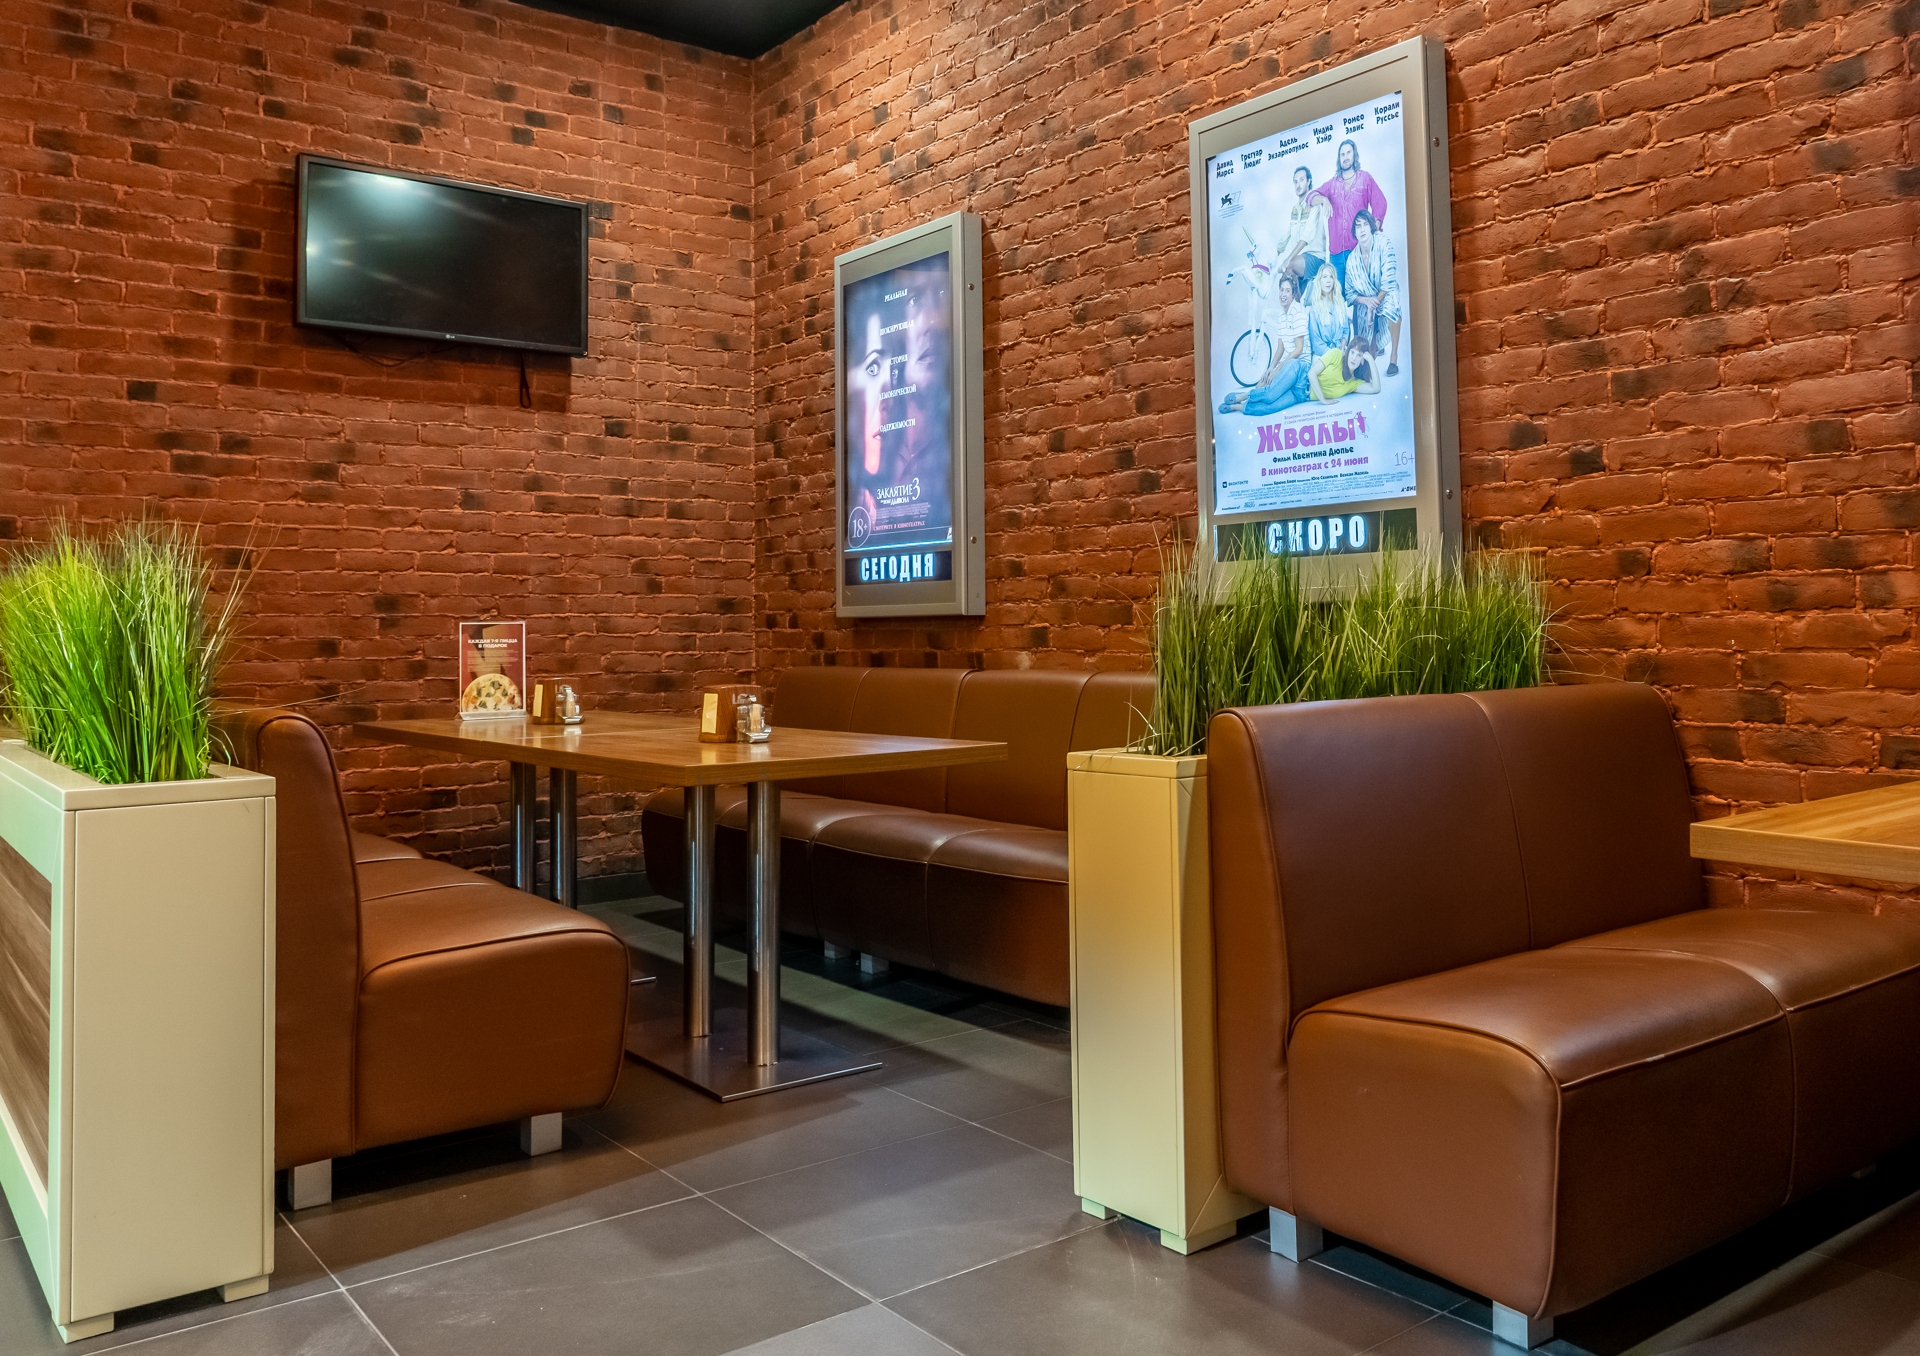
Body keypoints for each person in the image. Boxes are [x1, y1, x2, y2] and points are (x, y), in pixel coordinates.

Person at [1219, 273, 1310, 415]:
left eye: (1287, 291)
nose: (1283, 294)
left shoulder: (1298, 313)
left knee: (1269, 395)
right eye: (1281, 290)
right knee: (1267, 400)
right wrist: (1270, 368)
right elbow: (1280, 348)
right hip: (1289, 367)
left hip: (1299, 367)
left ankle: (1243, 397)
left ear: (1293, 295)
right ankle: (1237, 407)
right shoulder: (1282, 317)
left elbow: (1298, 350)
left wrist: (1278, 369)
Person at [1317, 139, 1387, 287]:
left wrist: (1374, 229)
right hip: (1336, 256)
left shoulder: (1365, 179)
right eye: (1342, 154)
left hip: (1359, 251)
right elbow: (1311, 197)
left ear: (1354, 154)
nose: (1345, 157)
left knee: (1361, 294)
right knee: (1337, 297)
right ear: (1339, 158)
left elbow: (1380, 202)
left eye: (1348, 153)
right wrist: (1323, 199)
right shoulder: (1331, 184)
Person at [1342, 209, 1402, 376]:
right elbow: (1350, 294)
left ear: (1371, 227)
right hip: (1366, 303)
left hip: (1385, 294)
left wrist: (1374, 303)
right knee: (1368, 353)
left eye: (1365, 225)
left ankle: (1393, 357)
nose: (1362, 229)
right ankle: (1375, 349)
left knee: (1392, 302)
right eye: (1358, 226)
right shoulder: (1352, 260)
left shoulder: (1384, 243)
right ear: (1354, 232)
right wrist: (1366, 302)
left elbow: (1389, 278)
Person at [1276, 166, 1329, 286]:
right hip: (1300, 260)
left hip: (1315, 259)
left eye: (1301, 180)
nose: (1298, 185)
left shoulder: (1314, 204)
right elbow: (1287, 235)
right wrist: (1275, 253)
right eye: (1295, 182)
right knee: (1289, 287)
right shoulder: (1295, 209)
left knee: (1289, 266)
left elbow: (1306, 237)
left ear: (1308, 181)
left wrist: (1288, 259)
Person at [1310, 332, 1381, 403]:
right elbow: (1311, 373)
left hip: (1304, 397)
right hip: (1303, 378)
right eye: (1352, 352)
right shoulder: (1336, 354)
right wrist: (1322, 399)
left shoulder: (1353, 382)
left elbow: (1376, 388)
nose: (1354, 358)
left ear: (1362, 360)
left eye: (1359, 355)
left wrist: (1370, 359)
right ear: (1348, 352)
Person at [1304, 260, 1349, 358]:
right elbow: (1316, 342)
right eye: (1324, 277)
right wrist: (1333, 355)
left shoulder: (1340, 304)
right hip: (1322, 356)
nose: (1328, 280)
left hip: (1340, 352)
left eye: (1331, 277)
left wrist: (1341, 349)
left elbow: (1345, 330)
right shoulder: (1314, 309)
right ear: (1319, 281)